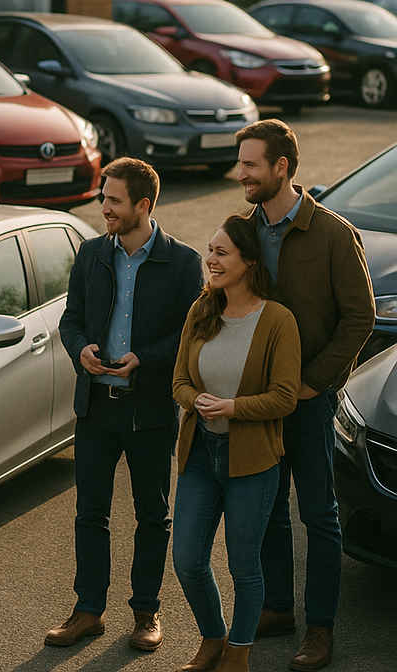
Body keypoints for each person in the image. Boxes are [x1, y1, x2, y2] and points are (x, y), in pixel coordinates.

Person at [47, 157, 204, 651]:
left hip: (150, 411)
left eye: (113, 200)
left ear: (144, 205)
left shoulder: (183, 263)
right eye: (103, 196)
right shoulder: (91, 253)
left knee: (151, 517)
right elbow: (70, 321)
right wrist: (82, 351)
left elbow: (190, 335)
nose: (103, 207)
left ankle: (145, 613)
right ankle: (88, 611)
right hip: (96, 407)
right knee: (90, 514)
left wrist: (145, 359)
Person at [235, 119, 374, 671]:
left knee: (318, 515)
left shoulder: (335, 235)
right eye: (240, 163)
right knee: (268, 509)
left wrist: (314, 383)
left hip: (310, 401)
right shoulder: (245, 231)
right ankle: (277, 607)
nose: (240, 173)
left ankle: (320, 628)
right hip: (259, 404)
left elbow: (360, 318)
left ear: (281, 168)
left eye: (250, 164)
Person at [173, 215, 302, 672]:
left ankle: (238, 653)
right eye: (210, 249)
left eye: (221, 252)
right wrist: (198, 401)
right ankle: (213, 637)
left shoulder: (277, 320)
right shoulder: (202, 310)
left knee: (245, 568)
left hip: (252, 463)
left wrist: (233, 408)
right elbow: (180, 381)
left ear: (249, 261)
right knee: (187, 559)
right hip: (200, 457)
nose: (210, 259)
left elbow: (285, 397)